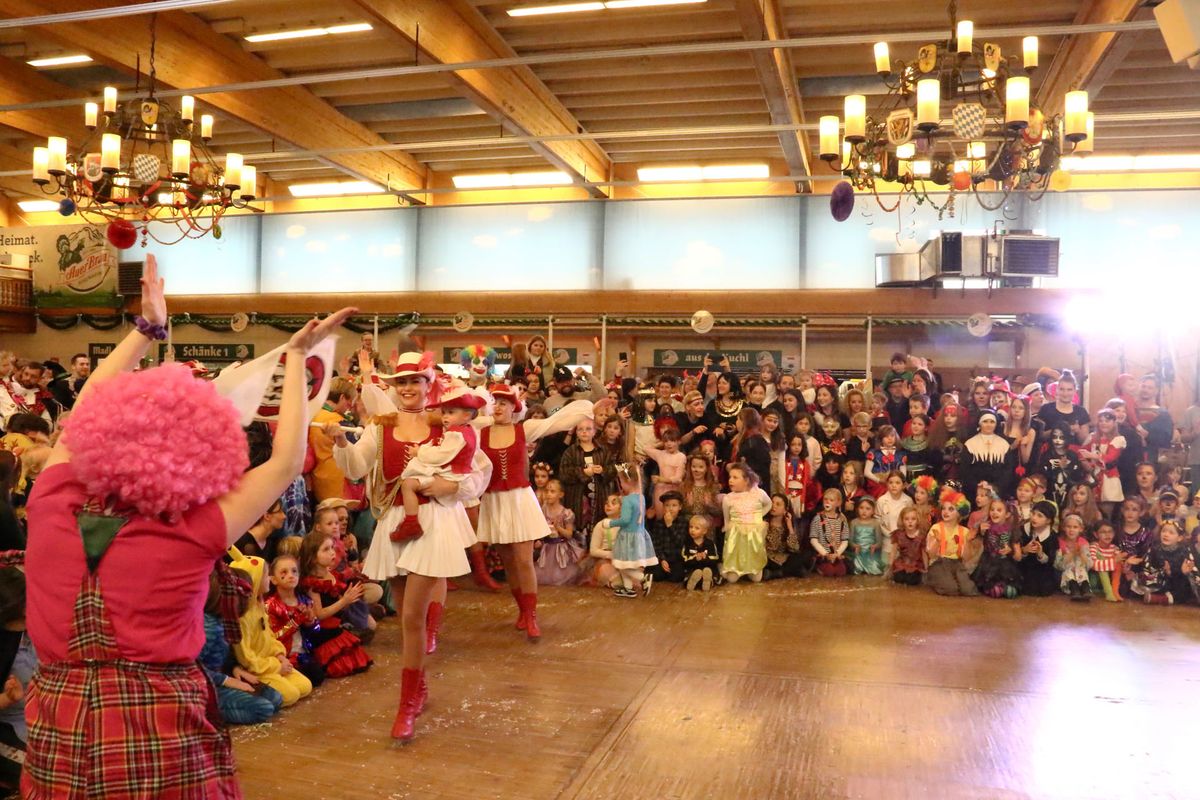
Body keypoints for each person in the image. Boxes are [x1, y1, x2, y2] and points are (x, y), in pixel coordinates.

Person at [22, 255, 351, 795]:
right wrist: (296, 358)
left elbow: (88, 401)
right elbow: (285, 462)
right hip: (161, 719)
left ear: (104, 431)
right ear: (201, 450)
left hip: (61, 716)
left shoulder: (51, 499)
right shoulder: (195, 528)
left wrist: (146, 329)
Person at [330, 351, 481, 741]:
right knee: (406, 620)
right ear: (393, 387)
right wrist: (341, 442)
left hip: (433, 521)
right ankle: (419, 686)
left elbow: (476, 474)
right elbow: (356, 467)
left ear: (429, 384)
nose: (409, 388)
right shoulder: (380, 425)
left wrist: (446, 486)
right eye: (402, 382)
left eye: (415, 381)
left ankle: (407, 704)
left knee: (413, 616)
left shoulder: (446, 422)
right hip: (394, 521)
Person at [471, 383, 598, 640]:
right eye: (495, 402)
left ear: (514, 407)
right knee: (509, 562)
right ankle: (522, 609)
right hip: (495, 502)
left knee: (524, 560)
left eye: (504, 403)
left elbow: (558, 421)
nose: (498, 407)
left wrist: (591, 408)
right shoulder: (480, 430)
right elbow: (456, 420)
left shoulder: (524, 429)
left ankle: (531, 616)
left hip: (519, 500)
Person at [393, 385, 486, 541]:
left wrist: (420, 452)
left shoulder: (456, 434)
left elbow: (442, 456)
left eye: (451, 412)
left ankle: (411, 522)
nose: (445, 417)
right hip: (448, 474)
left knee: (408, 484)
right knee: (409, 483)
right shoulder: (458, 431)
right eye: (444, 412)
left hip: (451, 476)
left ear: (466, 415)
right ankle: (411, 521)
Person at [228, 549, 314, 707]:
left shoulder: (259, 606)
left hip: (271, 662)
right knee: (291, 695)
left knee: (305, 686)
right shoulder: (243, 616)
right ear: (253, 580)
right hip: (259, 668)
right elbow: (247, 658)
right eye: (266, 575)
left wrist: (280, 656)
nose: (268, 578)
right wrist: (276, 666)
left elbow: (271, 637)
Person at [199, 568, 284, 727]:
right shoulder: (209, 627)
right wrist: (227, 680)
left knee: (275, 698)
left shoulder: (225, 621)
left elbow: (225, 655)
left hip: (222, 677)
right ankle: (205, 712)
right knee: (263, 709)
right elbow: (193, 669)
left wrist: (235, 668)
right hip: (207, 686)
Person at [298, 531, 373, 673]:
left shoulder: (332, 575)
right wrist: (344, 600)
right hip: (322, 633)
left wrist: (350, 599)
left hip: (335, 628)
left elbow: (338, 607)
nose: (332, 552)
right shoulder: (311, 583)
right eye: (326, 549)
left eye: (332, 547)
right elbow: (319, 614)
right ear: (312, 557)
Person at [262, 555, 326, 687]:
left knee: (318, 675)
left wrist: (311, 622)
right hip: (284, 657)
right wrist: (295, 622)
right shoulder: (270, 605)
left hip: (303, 654)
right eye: (284, 572)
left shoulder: (305, 600)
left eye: (294, 571)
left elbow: (316, 632)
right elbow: (274, 638)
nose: (291, 575)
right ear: (273, 579)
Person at [603, 463, 658, 598]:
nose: (620, 485)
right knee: (625, 564)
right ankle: (628, 588)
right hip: (638, 535)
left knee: (622, 565)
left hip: (627, 537)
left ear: (627, 481)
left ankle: (642, 578)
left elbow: (625, 520)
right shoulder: (640, 497)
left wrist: (610, 523)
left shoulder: (628, 500)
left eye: (621, 481)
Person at [719, 462, 771, 584]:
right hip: (737, 537)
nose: (730, 480)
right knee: (732, 579)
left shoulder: (758, 493)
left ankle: (750, 568)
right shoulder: (728, 498)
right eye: (730, 477)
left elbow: (769, 504)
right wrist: (728, 528)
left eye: (735, 477)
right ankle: (725, 567)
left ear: (746, 480)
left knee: (756, 578)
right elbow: (727, 518)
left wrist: (758, 516)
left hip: (753, 536)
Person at [308, 378, 355, 503]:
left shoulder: (313, 414)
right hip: (339, 483)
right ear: (342, 397)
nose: (349, 407)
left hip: (318, 479)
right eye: (349, 402)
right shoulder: (340, 422)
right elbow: (357, 452)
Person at [925, 491, 979, 596]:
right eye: (944, 508)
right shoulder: (936, 528)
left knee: (968, 590)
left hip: (957, 564)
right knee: (951, 589)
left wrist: (968, 541)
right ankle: (934, 579)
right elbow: (931, 555)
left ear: (959, 513)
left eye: (951, 509)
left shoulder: (964, 531)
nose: (946, 512)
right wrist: (938, 541)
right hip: (939, 563)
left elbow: (966, 557)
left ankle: (951, 579)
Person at [535, 479, 584, 587]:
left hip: (561, 549)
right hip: (547, 548)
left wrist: (558, 528)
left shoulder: (566, 513)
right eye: (547, 491)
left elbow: (569, 534)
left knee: (559, 575)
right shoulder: (543, 511)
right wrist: (540, 540)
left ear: (560, 494)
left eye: (552, 491)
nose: (548, 494)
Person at [1015, 499, 1060, 597]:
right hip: (1024, 567)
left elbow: (1051, 561)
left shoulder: (1052, 536)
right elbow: (1015, 554)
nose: (1034, 518)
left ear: (1048, 521)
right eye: (1033, 513)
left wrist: (1040, 554)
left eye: (1040, 516)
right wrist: (1024, 550)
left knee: (1043, 588)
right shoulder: (1023, 530)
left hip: (1042, 570)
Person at [1036, 369, 1089, 444]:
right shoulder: (1046, 409)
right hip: (1050, 450)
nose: (1065, 393)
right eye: (1062, 389)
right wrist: (1059, 429)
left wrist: (1078, 431)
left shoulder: (1081, 411)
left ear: (1075, 391)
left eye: (1069, 390)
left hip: (1073, 450)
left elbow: (1084, 442)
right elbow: (1039, 436)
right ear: (1057, 389)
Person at [648, 490, 687, 584]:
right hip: (663, 557)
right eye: (667, 505)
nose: (670, 508)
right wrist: (662, 559)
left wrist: (670, 526)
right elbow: (656, 543)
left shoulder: (683, 522)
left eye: (674, 505)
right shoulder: (658, 523)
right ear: (663, 507)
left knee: (676, 577)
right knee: (657, 575)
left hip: (676, 558)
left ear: (680, 507)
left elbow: (680, 543)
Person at [810, 488, 850, 577]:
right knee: (829, 572)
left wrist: (837, 553)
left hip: (836, 555)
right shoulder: (817, 518)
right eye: (825, 499)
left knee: (841, 572)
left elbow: (845, 540)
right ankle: (818, 567)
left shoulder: (842, 519)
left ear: (838, 503)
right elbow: (813, 540)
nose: (827, 502)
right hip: (823, 555)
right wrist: (825, 553)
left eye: (831, 500)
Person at [763, 493, 804, 580]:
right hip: (767, 558)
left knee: (800, 556)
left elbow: (795, 548)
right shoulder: (764, 523)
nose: (773, 506)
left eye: (778, 504)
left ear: (785, 510)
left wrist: (790, 527)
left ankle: (777, 573)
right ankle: (786, 572)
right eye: (772, 503)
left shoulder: (787, 525)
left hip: (782, 558)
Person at [1055, 513, 1093, 601]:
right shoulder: (1060, 543)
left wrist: (1081, 554)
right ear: (1064, 528)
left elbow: (1089, 564)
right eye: (1068, 527)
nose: (1071, 530)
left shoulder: (1083, 543)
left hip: (1081, 571)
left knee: (1080, 570)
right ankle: (1074, 588)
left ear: (1081, 529)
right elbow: (1058, 565)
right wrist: (1071, 553)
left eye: (1075, 527)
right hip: (1065, 571)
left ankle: (1085, 588)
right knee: (1069, 571)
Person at [681, 515, 720, 591]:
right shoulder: (687, 544)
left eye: (697, 528)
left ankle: (707, 581)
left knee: (708, 571)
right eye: (691, 527)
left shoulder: (710, 543)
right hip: (693, 568)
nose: (692, 530)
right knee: (691, 572)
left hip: (707, 567)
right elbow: (684, 559)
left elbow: (715, 558)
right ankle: (691, 581)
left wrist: (705, 558)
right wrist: (695, 558)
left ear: (704, 531)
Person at [890, 507, 927, 586]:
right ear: (902, 521)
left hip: (916, 565)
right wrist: (890, 566)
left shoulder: (921, 536)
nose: (910, 522)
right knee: (899, 578)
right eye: (906, 519)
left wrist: (926, 568)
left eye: (913, 519)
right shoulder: (898, 534)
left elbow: (924, 553)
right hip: (902, 563)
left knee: (911, 580)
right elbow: (893, 551)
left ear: (918, 520)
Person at [849, 496, 885, 575]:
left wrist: (874, 546)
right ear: (857, 509)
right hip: (858, 552)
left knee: (874, 567)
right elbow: (850, 540)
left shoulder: (875, 523)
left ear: (873, 511)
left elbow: (879, 541)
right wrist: (855, 546)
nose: (864, 511)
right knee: (854, 566)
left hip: (870, 552)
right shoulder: (854, 522)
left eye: (868, 509)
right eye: (861, 508)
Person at [1090, 520, 1123, 602]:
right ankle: (1109, 593)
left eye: (1110, 532)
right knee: (1102, 559)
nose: (1107, 535)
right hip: (1094, 581)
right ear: (1096, 534)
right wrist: (1114, 561)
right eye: (1103, 532)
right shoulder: (1093, 546)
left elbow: (1120, 566)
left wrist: (1126, 564)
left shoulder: (1114, 548)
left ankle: (1115, 591)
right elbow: (1093, 565)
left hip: (1109, 581)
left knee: (1119, 564)